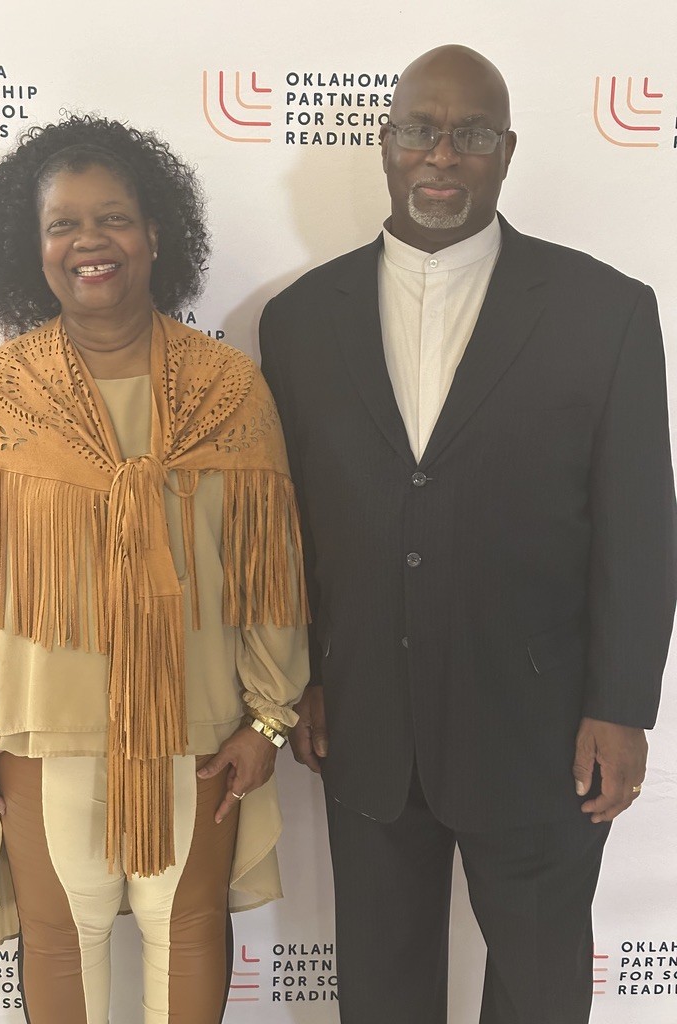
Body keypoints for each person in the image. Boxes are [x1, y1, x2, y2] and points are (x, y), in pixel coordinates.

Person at [260, 44, 676, 1024]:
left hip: (543, 731)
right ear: (387, 142)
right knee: (383, 989)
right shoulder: (299, 321)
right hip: (364, 721)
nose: (442, 155)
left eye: (471, 135)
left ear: (506, 150)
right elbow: (284, 527)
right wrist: (302, 675)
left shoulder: (606, 312)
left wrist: (623, 704)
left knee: (539, 988)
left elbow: (640, 522)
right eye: (420, 130)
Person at [0, 114, 308, 1024]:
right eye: (63, 225)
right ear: (34, 248)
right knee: (59, 945)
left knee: (192, 930)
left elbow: (267, 571)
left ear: (155, 234)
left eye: (114, 218)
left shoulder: (229, 389)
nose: (90, 241)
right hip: (42, 736)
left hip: (198, 735)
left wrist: (270, 717)